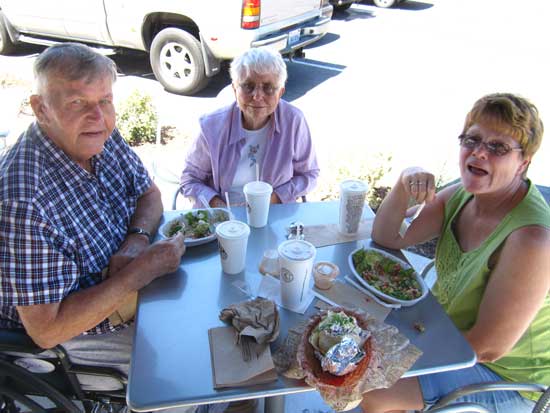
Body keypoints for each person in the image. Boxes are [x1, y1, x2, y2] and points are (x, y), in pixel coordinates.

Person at [0, 43, 186, 389]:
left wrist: (136, 241)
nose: (98, 117)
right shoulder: (24, 200)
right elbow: (46, 330)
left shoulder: (100, 135)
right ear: (41, 109)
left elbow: (150, 195)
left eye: (105, 100)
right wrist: (140, 272)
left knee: (211, 326)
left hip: (129, 288)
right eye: (77, 102)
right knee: (184, 371)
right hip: (73, 336)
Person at [361, 93, 550, 413]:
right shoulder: (464, 194)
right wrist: (405, 181)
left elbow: (488, 348)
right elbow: (388, 237)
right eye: (472, 139)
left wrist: (391, 355)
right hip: (445, 332)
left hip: (504, 379)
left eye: (498, 147)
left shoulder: (531, 240)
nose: (478, 152)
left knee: (371, 387)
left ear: (524, 162)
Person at [180, 47, 319, 208]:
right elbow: (190, 179)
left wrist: (272, 200)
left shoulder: (294, 121)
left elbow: (309, 175)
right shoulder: (212, 126)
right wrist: (220, 208)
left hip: (274, 213)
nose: (257, 96)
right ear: (235, 89)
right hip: (225, 218)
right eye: (248, 86)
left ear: (280, 93)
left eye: (268, 87)